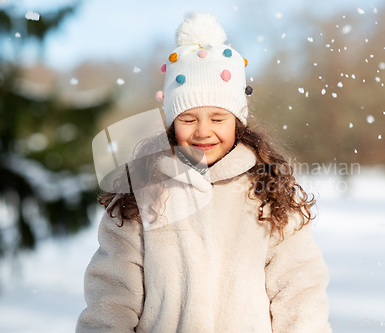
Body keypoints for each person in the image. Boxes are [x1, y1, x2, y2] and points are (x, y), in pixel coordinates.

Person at [76, 11, 332, 333]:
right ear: (171, 124)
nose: (203, 132)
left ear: (238, 122)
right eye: (188, 119)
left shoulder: (267, 192)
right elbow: (112, 294)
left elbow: (299, 291)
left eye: (217, 118)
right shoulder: (143, 193)